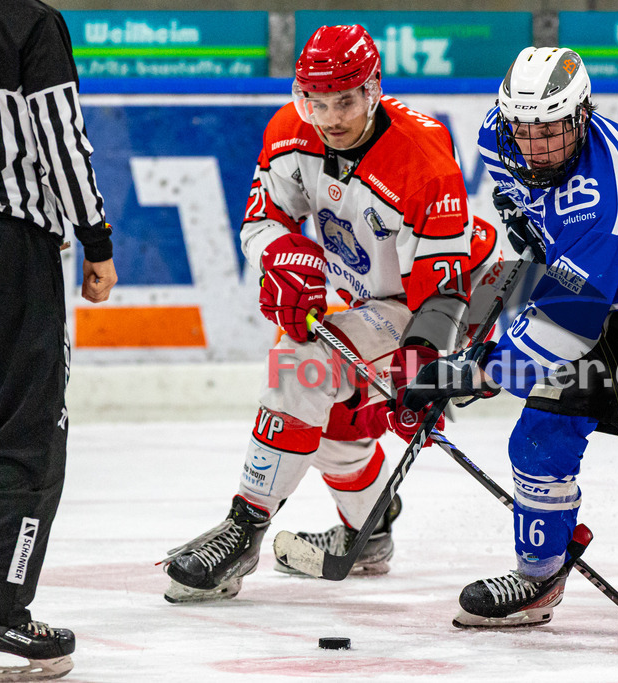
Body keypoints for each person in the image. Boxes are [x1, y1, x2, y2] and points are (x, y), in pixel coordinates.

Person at [403, 47, 618, 652]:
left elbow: (570, 321)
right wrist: (524, 219)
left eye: (552, 131)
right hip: (602, 290)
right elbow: (524, 207)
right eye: (525, 130)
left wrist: (480, 370)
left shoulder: (606, 177)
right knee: (540, 435)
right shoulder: (496, 138)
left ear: (583, 116)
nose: (537, 147)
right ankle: (538, 578)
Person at [161, 24, 501, 603]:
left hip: (454, 298)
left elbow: (438, 292)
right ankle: (370, 529)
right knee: (330, 422)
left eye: (344, 101)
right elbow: (262, 220)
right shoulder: (290, 132)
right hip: (375, 300)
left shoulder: (422, 154)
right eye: (316, 102)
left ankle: (243, 531)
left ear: (372, 89)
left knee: (300, 367)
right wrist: (279, 258)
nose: (330, 117)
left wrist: (424, 371)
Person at [0, 0, 118, 678]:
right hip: (5, 245)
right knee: (22, 430)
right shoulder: (27, 21)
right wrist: (95, 238)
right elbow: (60, 134)